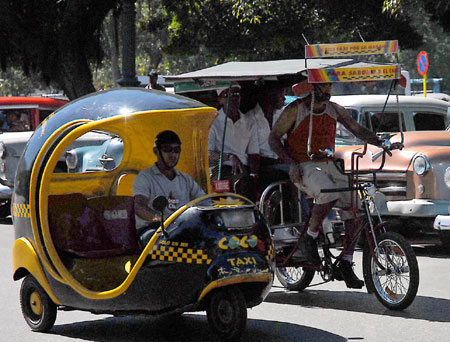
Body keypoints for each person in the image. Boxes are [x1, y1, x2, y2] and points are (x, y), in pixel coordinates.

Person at [269, 81, 386, 289]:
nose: (327, 94)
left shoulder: (334, 109)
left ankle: (347, 260)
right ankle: (310, 237)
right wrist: (290, 163)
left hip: (329, 163)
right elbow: (273, 139)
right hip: (303, 165)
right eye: (322, 90)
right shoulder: (295, 109)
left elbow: (356, 128)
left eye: (328, 89)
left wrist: (381, 142)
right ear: (312, 90)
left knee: (358, 205)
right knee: (327, 193)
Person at [133, 130, 205, 246]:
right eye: (167, 150)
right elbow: (139, 206)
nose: (173, 155)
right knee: (161, 243)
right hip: (152, 229)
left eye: (177, 150)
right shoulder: (144, 177)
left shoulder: (186, 180)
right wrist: (160, 218)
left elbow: (205, 202)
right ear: (156, 151)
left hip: (182, 228)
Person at [208, 84, 260, 200]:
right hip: (221, 168)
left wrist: (253, 175)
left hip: (243, 168)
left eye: (236, 94)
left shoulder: (249, 122)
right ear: (220, 100)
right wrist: (229, 157)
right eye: (228, 95)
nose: (233, 98)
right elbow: (208, 155)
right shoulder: (213, 122)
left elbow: (254, 153)